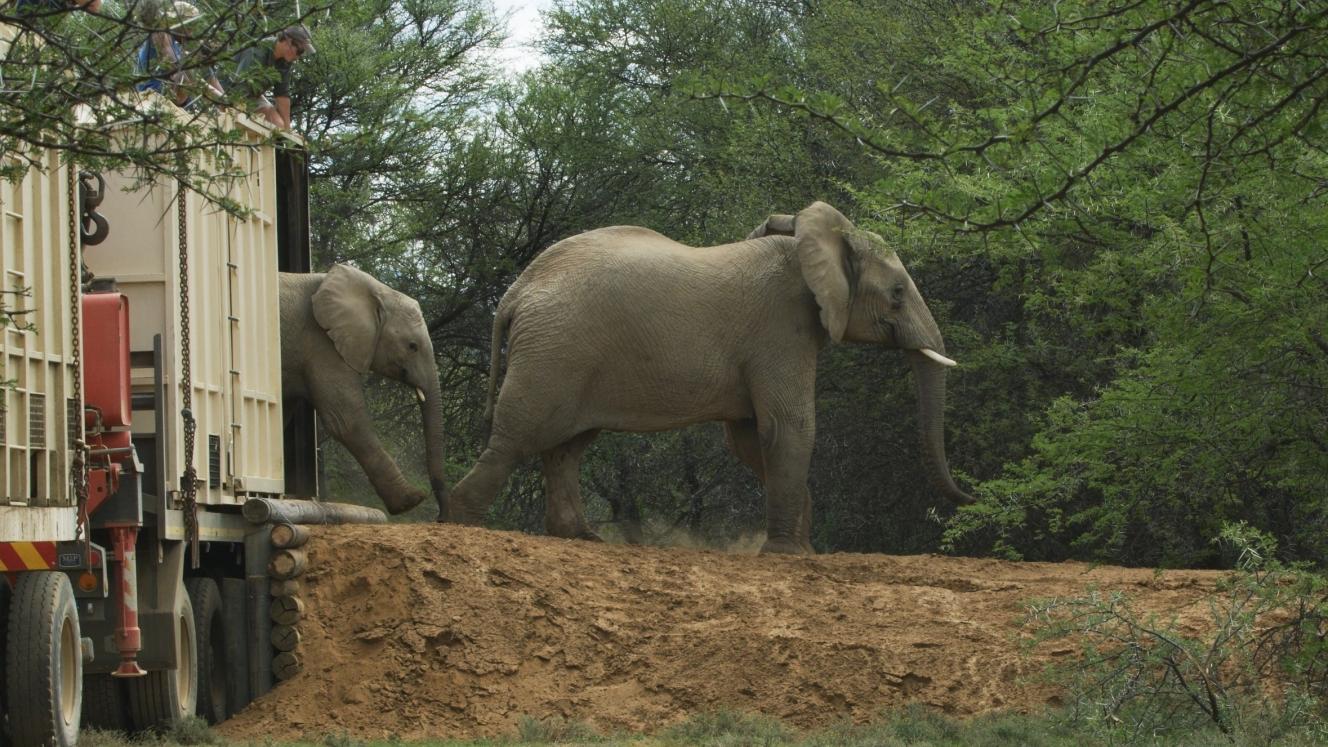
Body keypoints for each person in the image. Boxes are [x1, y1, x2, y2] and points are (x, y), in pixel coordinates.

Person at [224, 25, 313, 129]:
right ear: (288, 41)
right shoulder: (257, 49)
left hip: (251, 96)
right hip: (227, 91)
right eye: (300, 51)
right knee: (236, 121)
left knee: (278, 126)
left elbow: (282, 94)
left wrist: (287, 129)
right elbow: (238, 85)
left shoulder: (285, 61)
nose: (298, 57)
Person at [134, 1, 221, 107]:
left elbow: (200, 78)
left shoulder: (177, 46)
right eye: (190, 25)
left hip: (170, 95)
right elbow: (177, 69)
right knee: (185, 72)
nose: (192, 30)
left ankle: (222, 103)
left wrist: (221, 98)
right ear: (180, 22)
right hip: (153, 93)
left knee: (194, 66)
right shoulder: (161, 34)